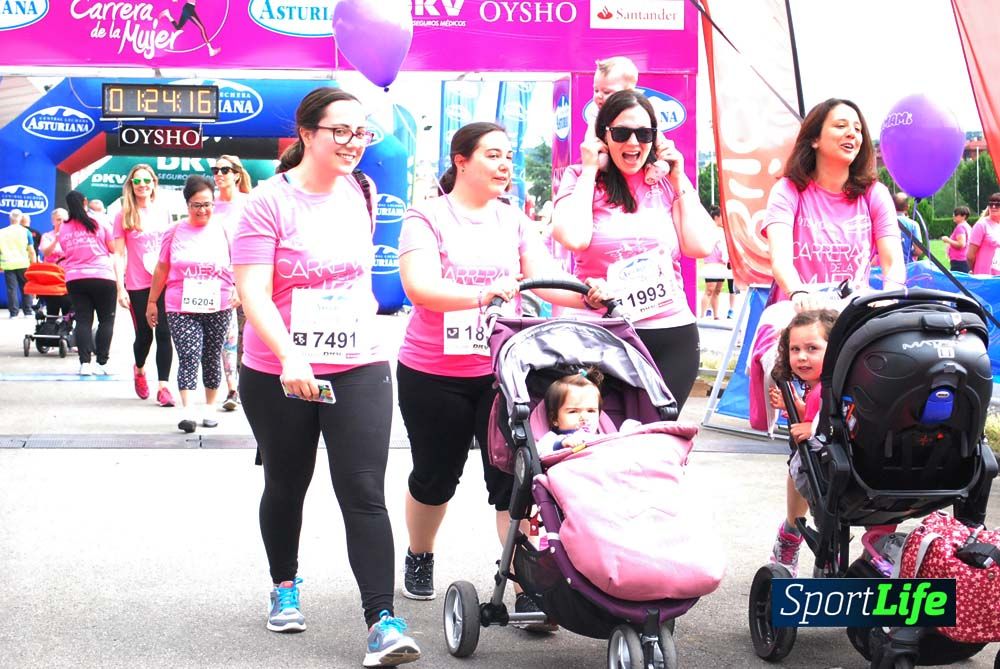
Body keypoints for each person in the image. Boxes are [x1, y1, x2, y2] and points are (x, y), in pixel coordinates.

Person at [232, 87, 420, 666]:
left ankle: (382, 621)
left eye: (361, 132)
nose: (352, 143)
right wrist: (290, 354)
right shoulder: (266, 202)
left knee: (363, 489)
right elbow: (252, 291)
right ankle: (284, 584)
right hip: (278, 368)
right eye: (340, 131)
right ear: (307, 133)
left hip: (359, 360)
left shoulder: (361, 192)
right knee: (287, 483)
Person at [396, 121, 607, 626]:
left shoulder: (513, 219)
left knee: (514, 478)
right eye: (493, 155)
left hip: (504, 370)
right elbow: (420, 287)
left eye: (508, 155)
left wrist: (587, 292)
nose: (505, 164)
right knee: (435, 476)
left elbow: (545, 281)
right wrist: (482, 294)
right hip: (433, 371)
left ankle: (523, 576)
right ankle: (420, 554)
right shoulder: (425, 217)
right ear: (461, 160)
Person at [762, 97, 905, 573]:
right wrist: (799, 288)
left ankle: (874, 527)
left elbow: (892, 262)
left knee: (872, 420)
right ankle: (792, 527)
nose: (852, 134)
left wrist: (895, 291)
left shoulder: (873, 193)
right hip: (805, 314)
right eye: (840, 125)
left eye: (858, 129)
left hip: (856, 313)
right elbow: (781, 256)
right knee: (811, 431)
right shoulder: (790, 191)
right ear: (816, 137)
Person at [552, 90, 716, 411]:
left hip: (669, 333)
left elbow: (700, 245)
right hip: (602, 335)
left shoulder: (667, 180)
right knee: (604, 440)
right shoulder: (579, 177)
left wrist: (680, 174)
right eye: (621, 133)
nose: (633, 143)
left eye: (644, 134)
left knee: (657, 440)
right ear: (604, 137)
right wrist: (589, 170)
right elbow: (573, 237)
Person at [146, 176, 235, 434]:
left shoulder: (224, 230)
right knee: (189, 354)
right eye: (197, 205)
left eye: (207, 204)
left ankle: (209, 408)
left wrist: (239, 289)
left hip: (218, 302)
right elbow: (162, 267)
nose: (203, 210)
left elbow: (238, 264)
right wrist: (153, 301)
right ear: (187, 205)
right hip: (180, 305)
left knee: (211, 355)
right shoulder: (173, 231)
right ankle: (187, 412)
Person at [767, 309, 837, 576]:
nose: (802, 357)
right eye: (795, 349)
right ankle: (790, 532)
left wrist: (814, 424)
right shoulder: (818, 388)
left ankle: (790, 531)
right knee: (800, 464)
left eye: (812, 348)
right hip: (820, 463)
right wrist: (796, 407)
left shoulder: (832, 387)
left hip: (833, 460)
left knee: (800, 465)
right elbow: (816, 411)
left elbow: (828, 417)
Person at [113, 163, 176, 407]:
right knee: (144, 336)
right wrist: (120, 287)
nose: (142, 185)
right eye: (137, 181)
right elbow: (118, 254)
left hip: (164, 282)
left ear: (154, 183)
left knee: (164, 333)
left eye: (146, 180)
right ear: (131, 185)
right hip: (138, 284)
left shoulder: (164, 211)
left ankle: (164, 387)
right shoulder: (123, 215)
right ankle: (139, 369)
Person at [58, 191, 119, 376]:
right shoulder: (99, 222)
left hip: (76, 279)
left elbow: (64, 250)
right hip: (103, 276)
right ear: (85, 202)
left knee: (83, 320)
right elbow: (112, 247)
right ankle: (102, 362)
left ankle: (85, 364)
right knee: (106, 320)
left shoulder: (64, 228)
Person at [212, 154, 252, 411]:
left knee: (248, 336)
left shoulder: (251, 203)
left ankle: (249, 383)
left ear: (237, 174)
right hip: (218, 282)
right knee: (226, 338)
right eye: (215, 169)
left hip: (249, 279)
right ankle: (232, 390)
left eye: (224, 169)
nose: (219, 174)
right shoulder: (210, 205)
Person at [591, 56, 669, 184]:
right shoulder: (595, 113)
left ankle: (652, 169)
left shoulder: (642, 109)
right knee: (602, 160)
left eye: (606, 92)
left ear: (629, 93)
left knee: (660, 154)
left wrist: (663, 151)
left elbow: (656, 135)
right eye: (596, 90)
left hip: (647, 159)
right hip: (607, 157)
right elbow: (590, 139)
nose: (599, 96)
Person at [536, 369, 604, 454]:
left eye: (590, 411)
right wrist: (562, 443)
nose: (584, 417)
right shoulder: (553, 438)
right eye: (573, 411)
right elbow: (538, 452)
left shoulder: (601, 437)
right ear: (555, 419)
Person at [1, 209, 35, 317]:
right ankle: (28, 311)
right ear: (20, 218)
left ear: (10, 218)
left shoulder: (2, 232)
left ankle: (13, 313)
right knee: (26, 287)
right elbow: (31, 251)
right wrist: (33, 265)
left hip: (8, 264)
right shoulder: (26, 232)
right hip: (23, 263)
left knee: (11, 289)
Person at [39, 208, 73, 318]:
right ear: (53, 221)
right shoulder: (47, 236)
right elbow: (46, 252)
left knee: (68, 310)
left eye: (64, 219)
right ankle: (50, 328)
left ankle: (67, 328)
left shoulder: (73, 235)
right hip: (52, 279)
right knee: (52, 310)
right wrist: (56, 239)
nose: (62, 222)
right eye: (58, 219)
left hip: (69, 277)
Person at [700, 205, 729, 319]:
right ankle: (702, 315)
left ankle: (716, 315)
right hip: (711, 264)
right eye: (722, 216)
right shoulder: (709, 229)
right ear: (716, 217)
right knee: (709, 290)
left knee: (717, 290)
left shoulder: (723, 231)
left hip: (721, 264)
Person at [968, 193, 1000, 276]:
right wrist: (975, 270)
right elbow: (970, 256)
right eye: (991, 204)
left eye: (997, 204)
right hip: (985, 278)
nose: (993, 207)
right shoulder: (981, 225)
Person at [893, 191, 923, 263]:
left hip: (887, 267)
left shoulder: (884, 222)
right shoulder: (913, 225)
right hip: (907, 267)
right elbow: (919, 251)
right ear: (907, 207)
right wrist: (909, 251)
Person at [940, 205, 972, 273]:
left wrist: (947, 240)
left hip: (959, 261)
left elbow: (961, 244)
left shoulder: (960, 227)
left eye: (956, 215)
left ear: (964, 216)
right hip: (964, 260)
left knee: (957, 281)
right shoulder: (968, 226)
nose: (953, 216)